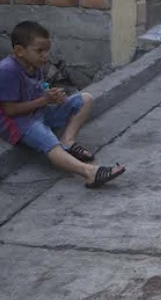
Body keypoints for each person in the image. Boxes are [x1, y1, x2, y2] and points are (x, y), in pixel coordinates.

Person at [0, 21, 126, 188]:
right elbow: (10, 110)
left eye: (47, 50)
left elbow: (38, 92)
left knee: (85, 99)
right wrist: (44, 100)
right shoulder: (8, 70)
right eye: (39, 51)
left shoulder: (35, 65)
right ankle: (89, 173)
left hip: (39, 111)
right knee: (50, 142)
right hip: (19, 123)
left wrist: (53, 97)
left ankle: (68, 141)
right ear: (19, 51)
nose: (45, 56)